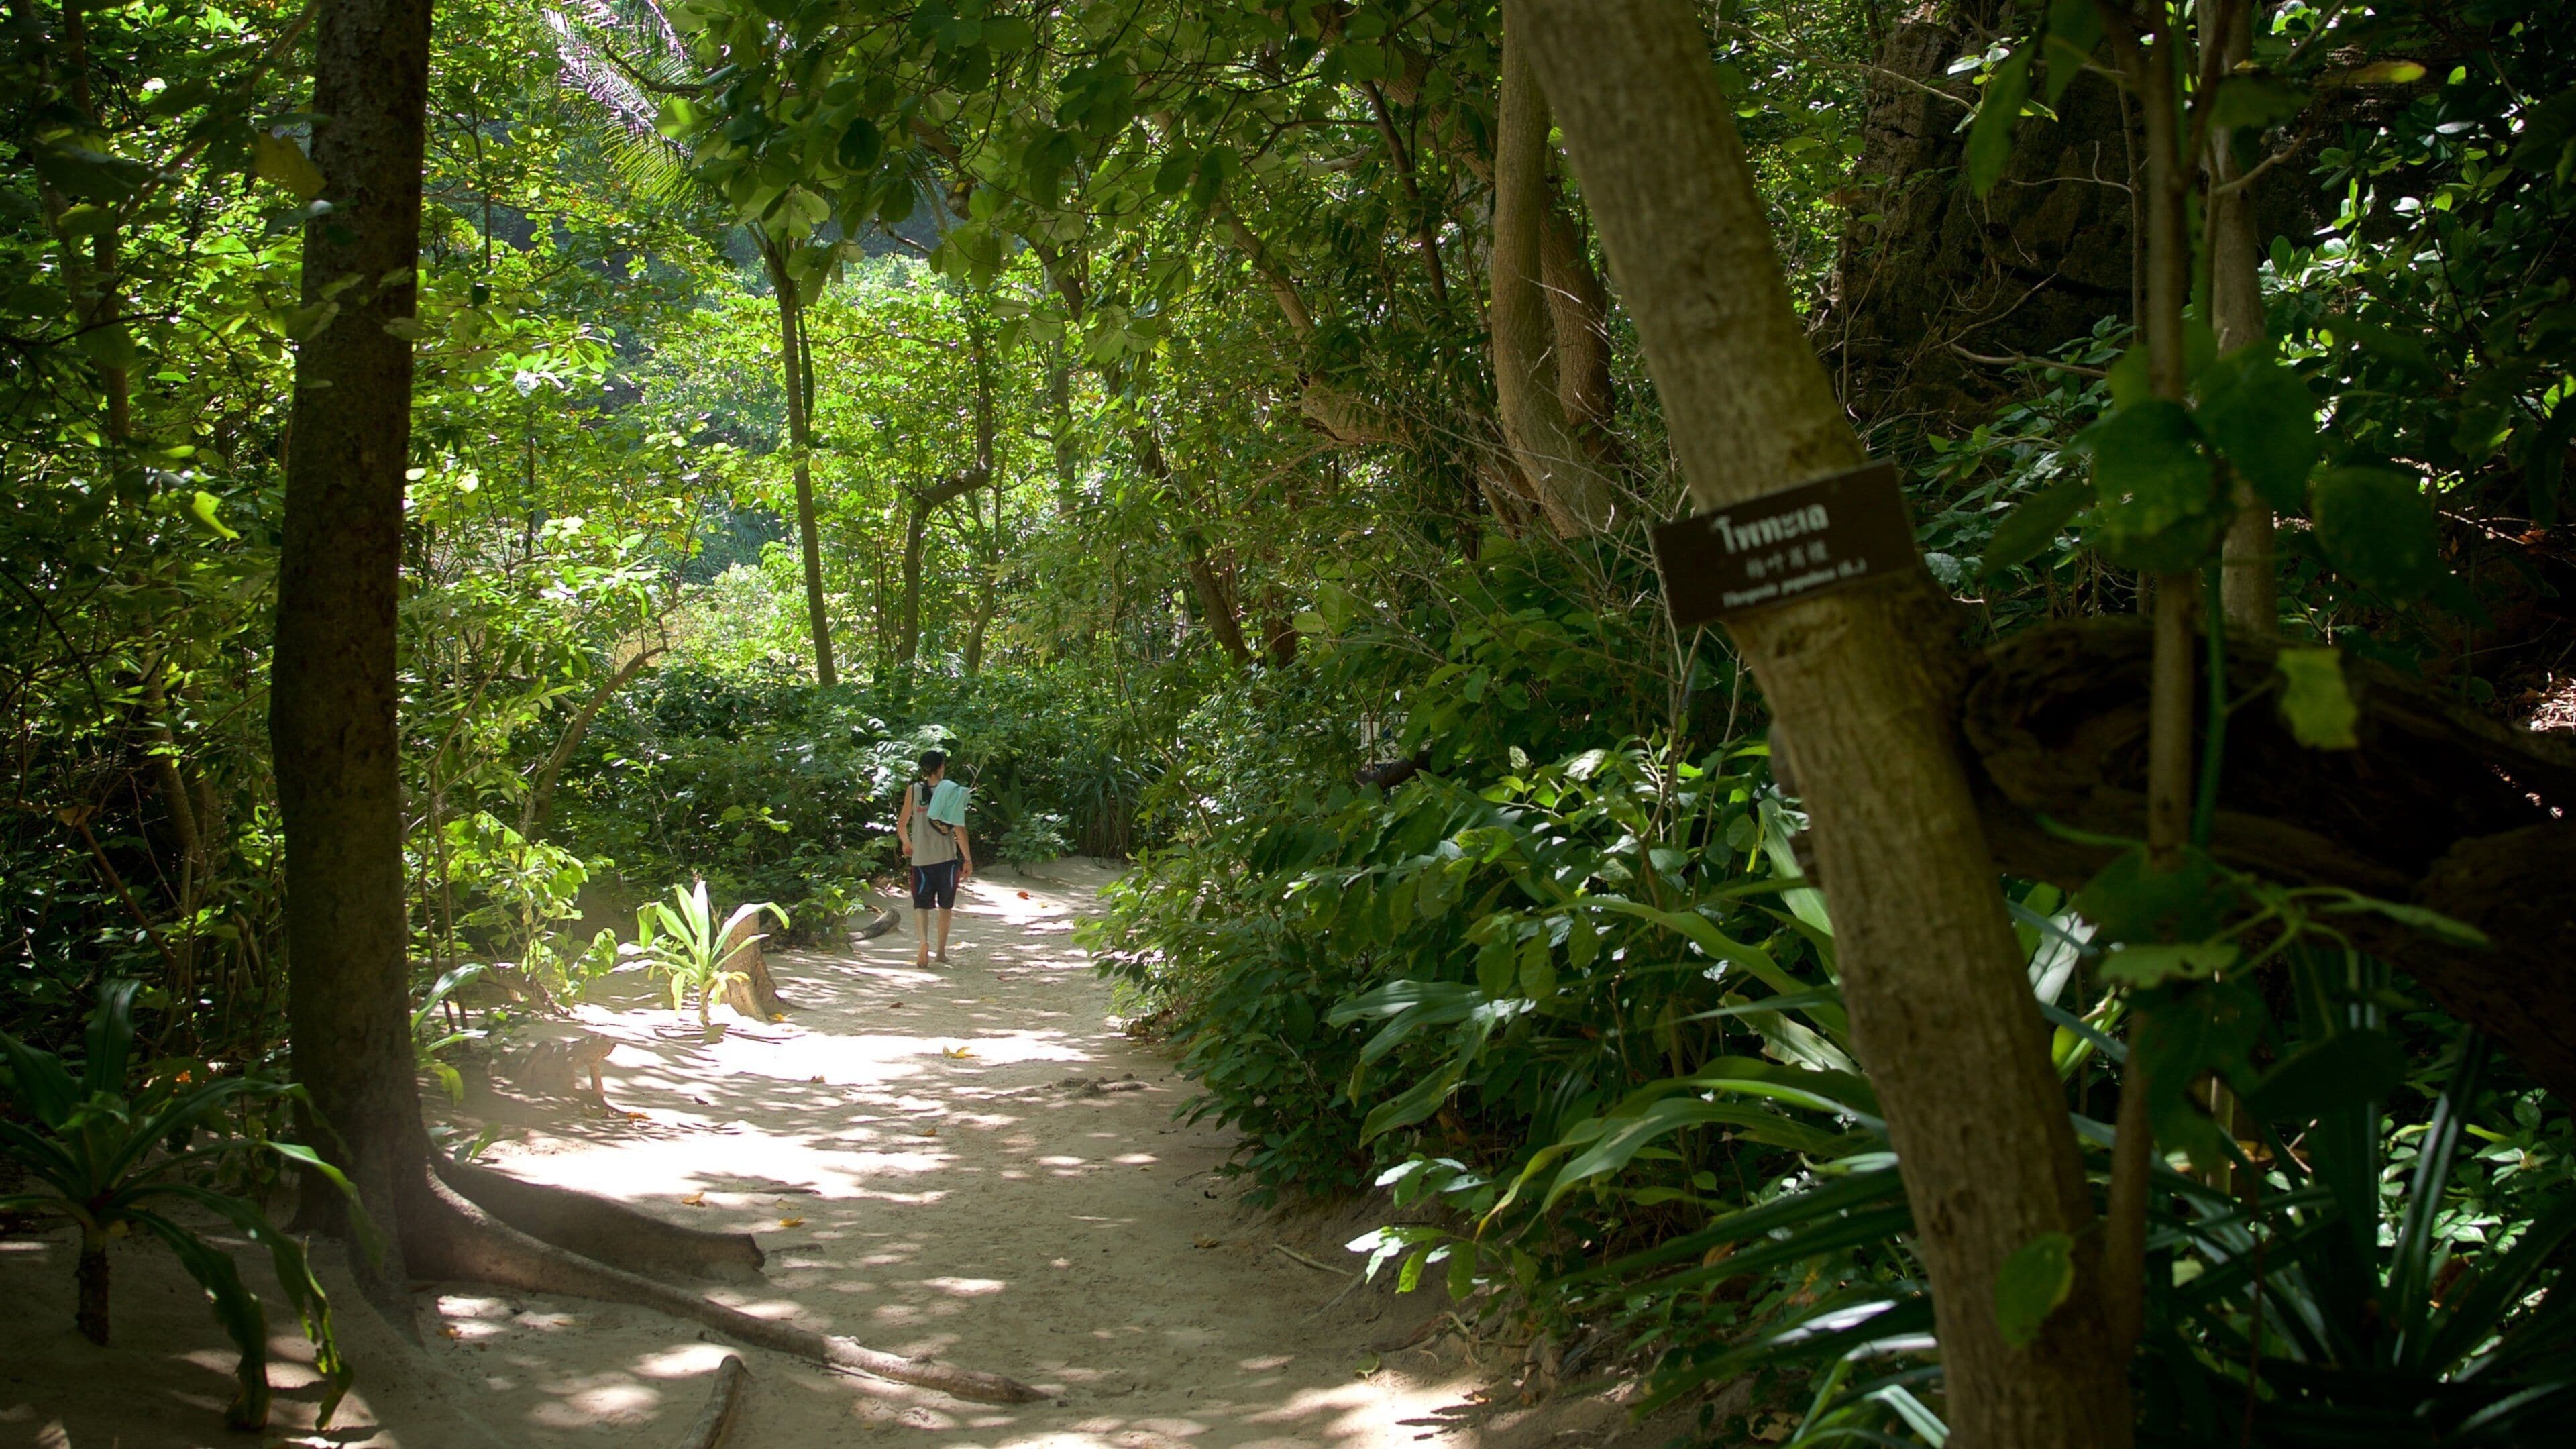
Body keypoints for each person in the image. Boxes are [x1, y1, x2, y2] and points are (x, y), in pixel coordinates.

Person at [896, 749, 973, 966]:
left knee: (920, 904)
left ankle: (923, 942)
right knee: (945, 907)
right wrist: (967, 859)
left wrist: (906, 842)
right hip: (946, 860)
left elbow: (901, 825)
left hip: (920, 860)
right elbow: (959, 829)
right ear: (941, 767)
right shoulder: (951, 790)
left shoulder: (913, 790)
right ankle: (940, 952)